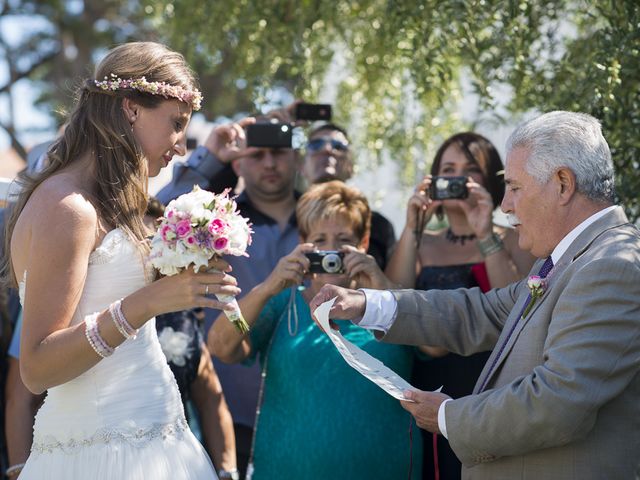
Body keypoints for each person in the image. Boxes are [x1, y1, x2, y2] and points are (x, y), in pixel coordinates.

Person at [310, 111, 640, 480]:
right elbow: (480, 311)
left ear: (562, 184)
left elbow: (559, 402)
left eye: (515, 187)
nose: (506, 206)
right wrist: (368, 304)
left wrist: (449, 417)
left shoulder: (611, 265)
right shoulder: (572, 258)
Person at [0, 41, 242, 479]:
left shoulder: (116, 202)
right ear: (131, 109)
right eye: (177, 124)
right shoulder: (67, 207)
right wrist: (149, 301)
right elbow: (36, 369)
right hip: (101, 454)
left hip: (159, 437)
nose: (182, 146)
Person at [209, 181, 422, 479]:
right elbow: (221, 347)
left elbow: (434, 346)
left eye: (343, 239)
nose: (330, 250)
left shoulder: (387, 303)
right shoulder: (283, 304)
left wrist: (382, 287)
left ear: (364, 242)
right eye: (320, 239)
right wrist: (267, 288)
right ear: (303, 243)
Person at [157, 110, 301, 479]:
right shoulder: (217, 220)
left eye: (279, 152)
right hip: (233, 404)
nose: (269, 162)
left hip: (311, 403)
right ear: (239, 163)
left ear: (295, 156)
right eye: (256, 155)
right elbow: (158, 216)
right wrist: (210, 157)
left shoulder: (323, 220)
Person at [385, 132, 534, 479]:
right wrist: (412, 228)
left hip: (493, 385)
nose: (456, 178)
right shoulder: (422, 244)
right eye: (447, 169)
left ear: (490, 180)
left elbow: (520, 307)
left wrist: (485, 234)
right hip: (430, 383)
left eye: (470, 170)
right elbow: (393, 298)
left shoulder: (517, 238)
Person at [301, 123, 396, 269]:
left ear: (351, 167)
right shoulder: (285, 221)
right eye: (316, 145)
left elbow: (397, 289)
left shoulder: (379, 226)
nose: (327, 150)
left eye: (338, 146)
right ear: (301, 166)